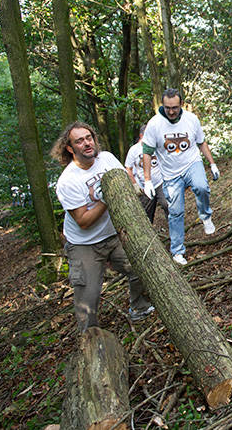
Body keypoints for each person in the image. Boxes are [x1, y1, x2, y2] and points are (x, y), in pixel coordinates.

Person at [51, 121, 154, 332]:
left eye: (89, 138)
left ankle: (139, 308)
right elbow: (83, 220)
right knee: (87, 296)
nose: (87, 144)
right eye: (79, 141)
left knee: (141, 267)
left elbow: (123, 184)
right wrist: (107, 198)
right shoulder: (67, 181)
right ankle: (89, 337)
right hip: (84, 243)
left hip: (114, 234)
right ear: (70, 148)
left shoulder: (106, 159)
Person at [142, 88, 220, 265]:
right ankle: (177, 251)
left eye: (175, 107)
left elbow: (201, 142)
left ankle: (205, 216)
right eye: (167, 107)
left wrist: (212, 163)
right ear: (162, 105)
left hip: (192, 163)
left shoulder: (191, 119)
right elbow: (146, 152)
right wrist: (147, 180)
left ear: (181, 105)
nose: (171, 111)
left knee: (201, 186)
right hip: (170, 174)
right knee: (175, 212)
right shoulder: (154, 124)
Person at [124, 125, 169, 223]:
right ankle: (149, 235)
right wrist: (135, 184)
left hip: (160, 182)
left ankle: (175, 229)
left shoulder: (156, 145)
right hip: (144, 186)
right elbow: (128, 168)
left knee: (167, 205)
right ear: (141, 136)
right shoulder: (134, 150)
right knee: (146, 213)